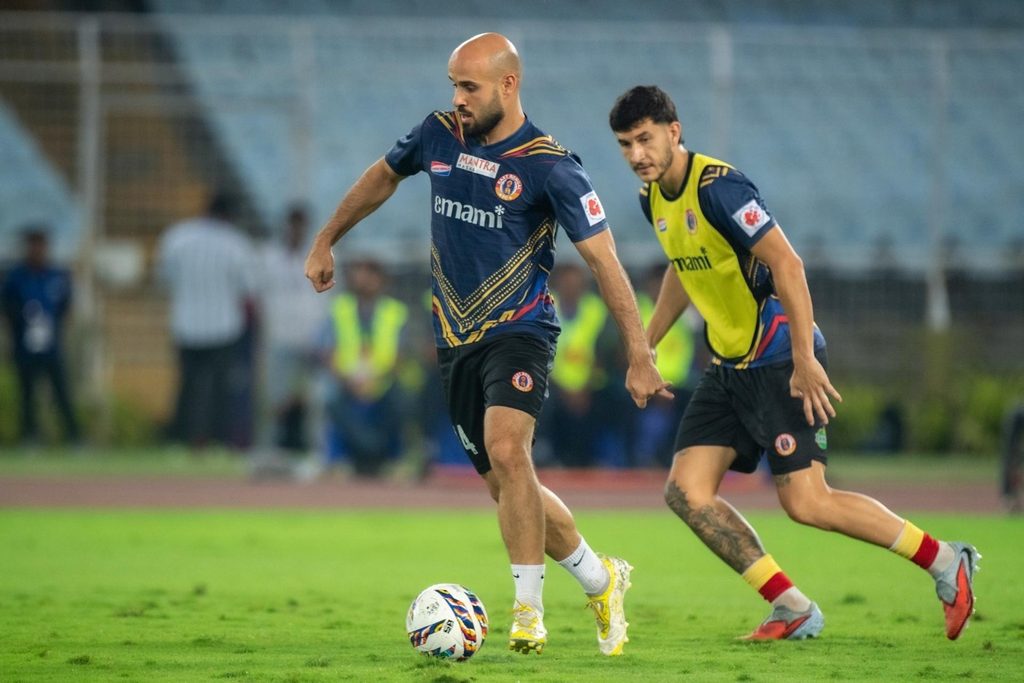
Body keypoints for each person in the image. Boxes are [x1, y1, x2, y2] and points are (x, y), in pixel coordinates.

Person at [305, 33, 670, 656]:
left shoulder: (552, 166)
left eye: (468, 86)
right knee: (508, 484)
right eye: (453, 85)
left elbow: (605, 261)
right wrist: (326, 238)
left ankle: (528, 613)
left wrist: (640, 352)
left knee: (508, 450)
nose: (458, 98)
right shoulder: (438, 134)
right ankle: (600, 579)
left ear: (508, 84)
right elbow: (383, 175)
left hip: (521, 330)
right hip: (455, 339)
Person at [607, 85, 978, 641]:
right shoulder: (652, 198)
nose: (637, 154)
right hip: (729, 368)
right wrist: (646, 346)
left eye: (645, 138)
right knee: (686, 493)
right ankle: (791, 606)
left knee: (808, 503)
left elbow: (788, 264)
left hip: (779, 358)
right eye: (625, 144)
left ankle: (946, 559)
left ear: (674, 131)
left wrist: (805, 359)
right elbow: (684, 267)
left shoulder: (720, 188)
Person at [155, 191, 258, 451]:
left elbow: (163, 279)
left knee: (187, 386)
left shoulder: (177, 237)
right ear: (229, 215)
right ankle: (217, 440)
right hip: (224, 326)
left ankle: (181, 439)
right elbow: (248, 289)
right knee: (220, 390)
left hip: (186, 323)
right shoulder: (236, 243)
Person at [319, 256, 410, 478]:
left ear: (381, 279)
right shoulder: (340, 308)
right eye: (359, 272)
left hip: (383, 381)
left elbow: (401, 355)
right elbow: (328, 353)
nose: (364, 279)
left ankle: (395, 460)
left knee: (403, 400)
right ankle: (337, 460)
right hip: (347, 382)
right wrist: (348, 380)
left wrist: (375, 380)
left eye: (370, 273)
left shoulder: (395, 311)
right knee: (328, 396)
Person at [258, 203, 329, 456]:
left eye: (300, 225)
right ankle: (270, 450)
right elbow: (258, 297)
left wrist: (325, 338)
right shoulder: (269, 257)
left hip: (314, 340)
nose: (296, 230)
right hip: (280, 337)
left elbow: (330, 299)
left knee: (317, 400)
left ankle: (318, 452)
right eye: (292, 225)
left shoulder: (322, 256)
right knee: (276, 399)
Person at [1, 226, 80, 446]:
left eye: (41, 245)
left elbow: (65, 307)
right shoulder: (16, 277)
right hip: (24, 346)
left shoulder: (57, 275)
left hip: (52, 347)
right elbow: (6, 306)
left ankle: (74, 436)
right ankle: (30, 436)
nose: (37, 249)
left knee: (62, 392)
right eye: (33, 245)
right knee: (27, 395)